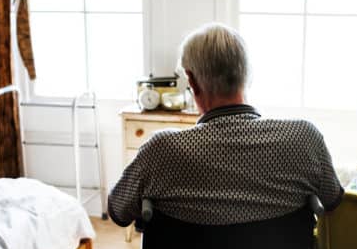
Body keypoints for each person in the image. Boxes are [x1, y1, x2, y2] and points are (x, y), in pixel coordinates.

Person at [108, 22, 344, 228]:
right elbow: (333, 200)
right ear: (247, 75)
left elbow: (118, 210)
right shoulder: (304, 138)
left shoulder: (162, 149)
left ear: (192, 82)